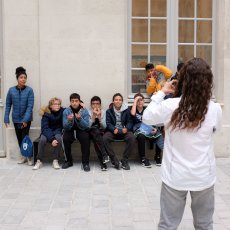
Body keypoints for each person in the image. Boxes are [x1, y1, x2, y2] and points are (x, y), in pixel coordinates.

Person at [142, 58, 222, 230]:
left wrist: (162, 92)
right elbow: (215, 131)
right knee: (204, 225)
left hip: (175, 176)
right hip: (203, 176)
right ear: (207, 82)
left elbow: (147, 117)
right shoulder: (215, 109)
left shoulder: (170, 106)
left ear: (182, 81)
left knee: (167, 225)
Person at [4, 66, 34, 166]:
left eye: (25, 77)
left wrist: (25, 120)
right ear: (17, 78)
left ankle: (29, 156)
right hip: (16, 119)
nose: (23, 79)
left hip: (26, 119)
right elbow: (8, 104)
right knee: (19, 139)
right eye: (21, 77)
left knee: (25, 138)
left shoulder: (29, 90)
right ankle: (23, 156)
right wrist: (6, 118)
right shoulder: (11, 90)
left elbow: (30, 106)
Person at [103, 93, 135, 170]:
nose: (118, 101)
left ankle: (124, 160)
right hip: (114, 131)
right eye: (116, 100)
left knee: (132, 138)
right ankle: (114, 160)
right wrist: (113, 129)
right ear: (113, 101)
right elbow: (108, 123)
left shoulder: (126, 110)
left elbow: (130, 122)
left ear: (122, 101)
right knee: (105, 138)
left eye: (120, 100)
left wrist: (126, 128)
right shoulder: (109, 111)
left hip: (124, 131)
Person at [131, 93, 164, 167]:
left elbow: (154, 120)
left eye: (141, 100)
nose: (140, 102)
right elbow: (133, 114)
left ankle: (157, 156)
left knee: (159, 134)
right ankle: (143, 158)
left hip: (148, 128)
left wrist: (155, 128)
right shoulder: (132, 109)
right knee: (141, 136)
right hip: (139, 129)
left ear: (144, 101)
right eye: (138, 101)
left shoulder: (147, 109)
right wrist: (135, 100)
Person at [33, 97, 64, 170]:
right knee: (42, 140)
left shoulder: (62, 111)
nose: (57, 106)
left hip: (57, 131)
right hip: (46, 132)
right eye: (55, 104)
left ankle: (55, 160)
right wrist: (52, 139)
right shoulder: (46, 114)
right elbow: (45, 128)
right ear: (51, 106)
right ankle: (39, 161)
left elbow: (71, 109)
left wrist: (81, 106)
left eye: (59, 104)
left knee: (59, 138)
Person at [62, 93, 91, 172]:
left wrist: (79, 119)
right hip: (70, 130)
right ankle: (68, 161)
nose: (74, 103)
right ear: (70, 102)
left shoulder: (84, 111)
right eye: (72, 101)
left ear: (79, 101)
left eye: (76, 101)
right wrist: (69, 120)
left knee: (86, 138)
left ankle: (85, 163)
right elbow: (65, 126)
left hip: (81, 130)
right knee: (65, 138)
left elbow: (86, 126)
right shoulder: (66, 111)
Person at [88, 96, 110, 171]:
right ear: (91, 105)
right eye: (93, 104)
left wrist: (100, 117)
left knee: (97, 139)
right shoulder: (87, 112)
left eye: (97, 104)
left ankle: (103, 163)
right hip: (90, 132)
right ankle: (104, 156)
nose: (95, 105)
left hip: (99, 132)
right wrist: (94, 116)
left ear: (100, 105)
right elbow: (88, 126)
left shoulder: (104, 112)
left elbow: (104, 127)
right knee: (95, 132)